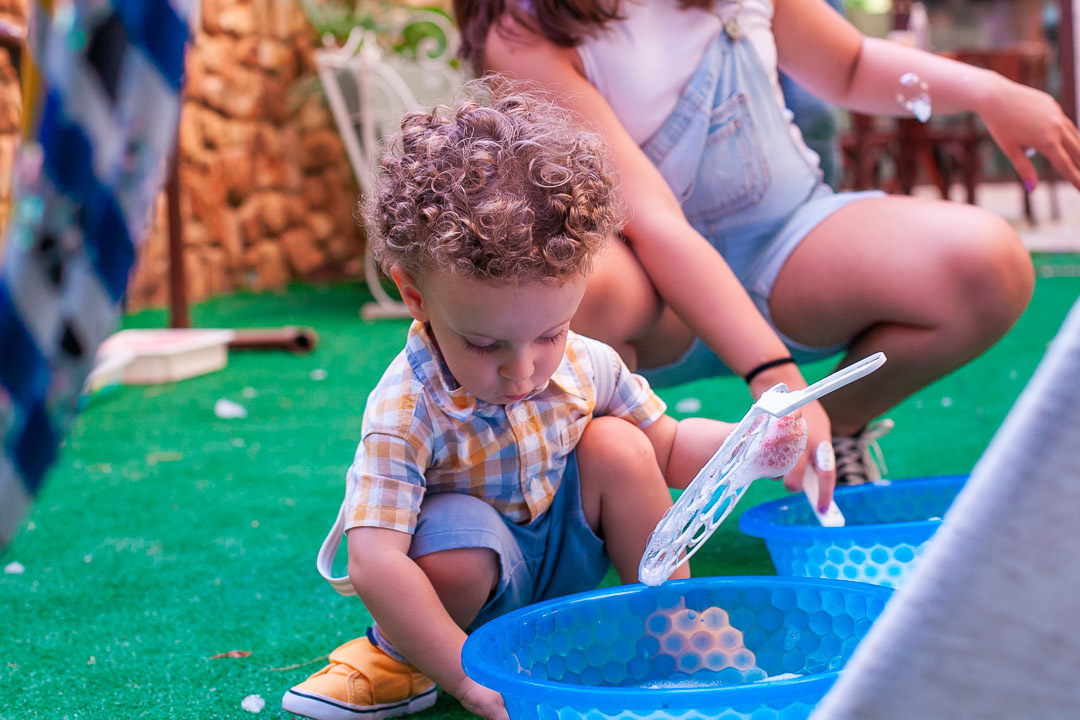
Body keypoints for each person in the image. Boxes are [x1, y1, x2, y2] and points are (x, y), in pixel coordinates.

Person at [281, 82, 808, 720]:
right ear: (415, 296)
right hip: (466, 585)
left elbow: (667, 449)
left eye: (550, 332)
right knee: (455, 548)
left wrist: (750, 446)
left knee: (619, 442)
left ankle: (677, 623)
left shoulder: (588, 364)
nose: (523, 369)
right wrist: (470, 681)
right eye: (484, 343)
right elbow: (373, 562)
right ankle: (405, 656)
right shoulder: (405, 407)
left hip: (560, 563)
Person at [452, 0, 1080, 500]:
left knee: (985, 262)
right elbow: (654, 223)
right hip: (653, 295)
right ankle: (604, 493)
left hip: (788, 248)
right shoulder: (524, 30)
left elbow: (852, 66)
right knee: (574, 289)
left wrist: (989, 91)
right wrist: (774, 377)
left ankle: (833, 429)